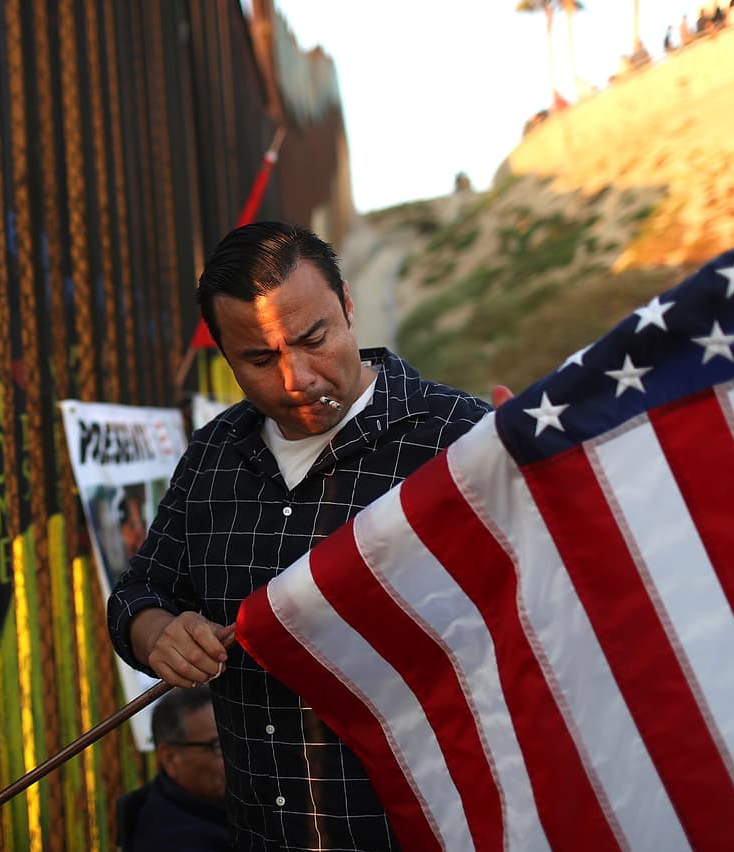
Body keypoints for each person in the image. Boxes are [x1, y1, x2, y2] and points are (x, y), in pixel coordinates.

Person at [107, 221, 491, 849]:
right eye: (259, 359)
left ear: (346, 303)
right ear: (225, 355)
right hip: (263, 832)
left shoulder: (458, 438)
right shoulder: (213, 457)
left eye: (313, 339)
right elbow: (139, 591)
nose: (297, 379)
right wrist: (157, 634)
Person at [116, 686, 229, 851]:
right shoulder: (171, 839)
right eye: (217, 746)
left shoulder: (213, 806)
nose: (233, 758)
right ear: (170, 758)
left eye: (235, 742)